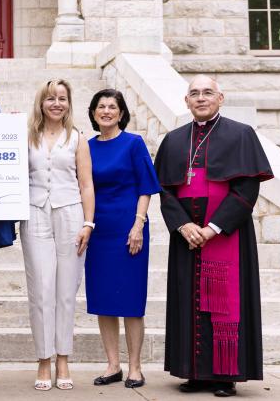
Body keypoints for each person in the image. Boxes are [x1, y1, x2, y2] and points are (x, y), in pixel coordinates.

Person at [154, 75, 273, 397]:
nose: (201, 98)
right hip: (187, 234)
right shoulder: (175, 139)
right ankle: (195, 372)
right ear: (186, 101)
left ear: (220, 98)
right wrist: (183, 226)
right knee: (188, 302)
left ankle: (224, 375)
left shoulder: (241, 134)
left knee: (222, 305)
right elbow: (164, 191)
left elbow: (247, 188)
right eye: (194, 93)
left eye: (208, 92)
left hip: (223, 233)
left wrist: (212, 228)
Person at [21, 79, 95, 391]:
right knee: (41, 290)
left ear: (69, 104)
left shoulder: (78, 138)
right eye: (50, 98)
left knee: (66, 291)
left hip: (70, 214)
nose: (56, 104)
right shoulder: (26, 136)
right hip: (35, 212)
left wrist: (88, 224)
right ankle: (43, 359)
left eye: (62, 98)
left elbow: (86, 184)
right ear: (41, 103)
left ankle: (63, 358)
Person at [84, 89, 161, 389]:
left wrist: (138, 224)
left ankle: (135, 367)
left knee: (130, 301)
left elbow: (146, 187)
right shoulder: (87, 146)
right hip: (99, 229)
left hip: (129, 228)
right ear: (92, 113)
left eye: (112, 107)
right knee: (104, 300)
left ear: (121, 112)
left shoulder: (134, 143)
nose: (106, 111)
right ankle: (113, 365)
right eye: (100, 107)